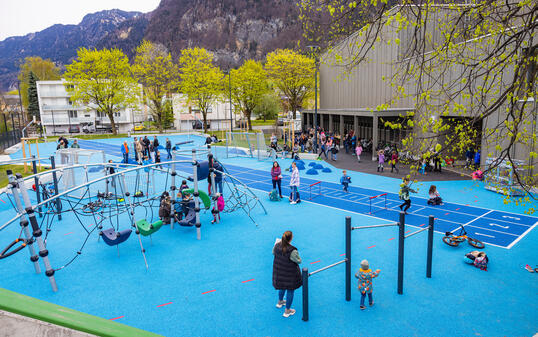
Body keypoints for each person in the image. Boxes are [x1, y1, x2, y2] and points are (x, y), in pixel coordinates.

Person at [272, 231, 302, 318]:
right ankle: (287, 311)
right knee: (290, 290)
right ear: (291, 239)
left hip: (279, 271)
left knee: (281, 286)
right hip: (290, 274)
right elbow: (299, 261)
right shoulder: (292, 250)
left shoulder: (277, 245)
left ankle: (280, 302)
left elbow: (273, 253)